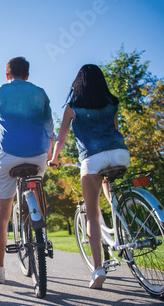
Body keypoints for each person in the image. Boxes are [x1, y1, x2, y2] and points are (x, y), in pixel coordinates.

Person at [48, 64, 130, 289]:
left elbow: (62, 139)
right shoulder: (112, 103)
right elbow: (114, 128)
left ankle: (98, 268)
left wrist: (54, 158)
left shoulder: (72, 106)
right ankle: (117, 210)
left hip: (92, 158)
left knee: (92, 215)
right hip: (121, 154)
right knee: (107, 179)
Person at [0, 57, 54, 284]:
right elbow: (49, 129)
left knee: (1, 215)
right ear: (27, 75)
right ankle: (40, 230)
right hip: (38, 155)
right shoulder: (40, 93)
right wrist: (49, 156)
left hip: (7, 156)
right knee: (37, 187)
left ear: (7, 75)